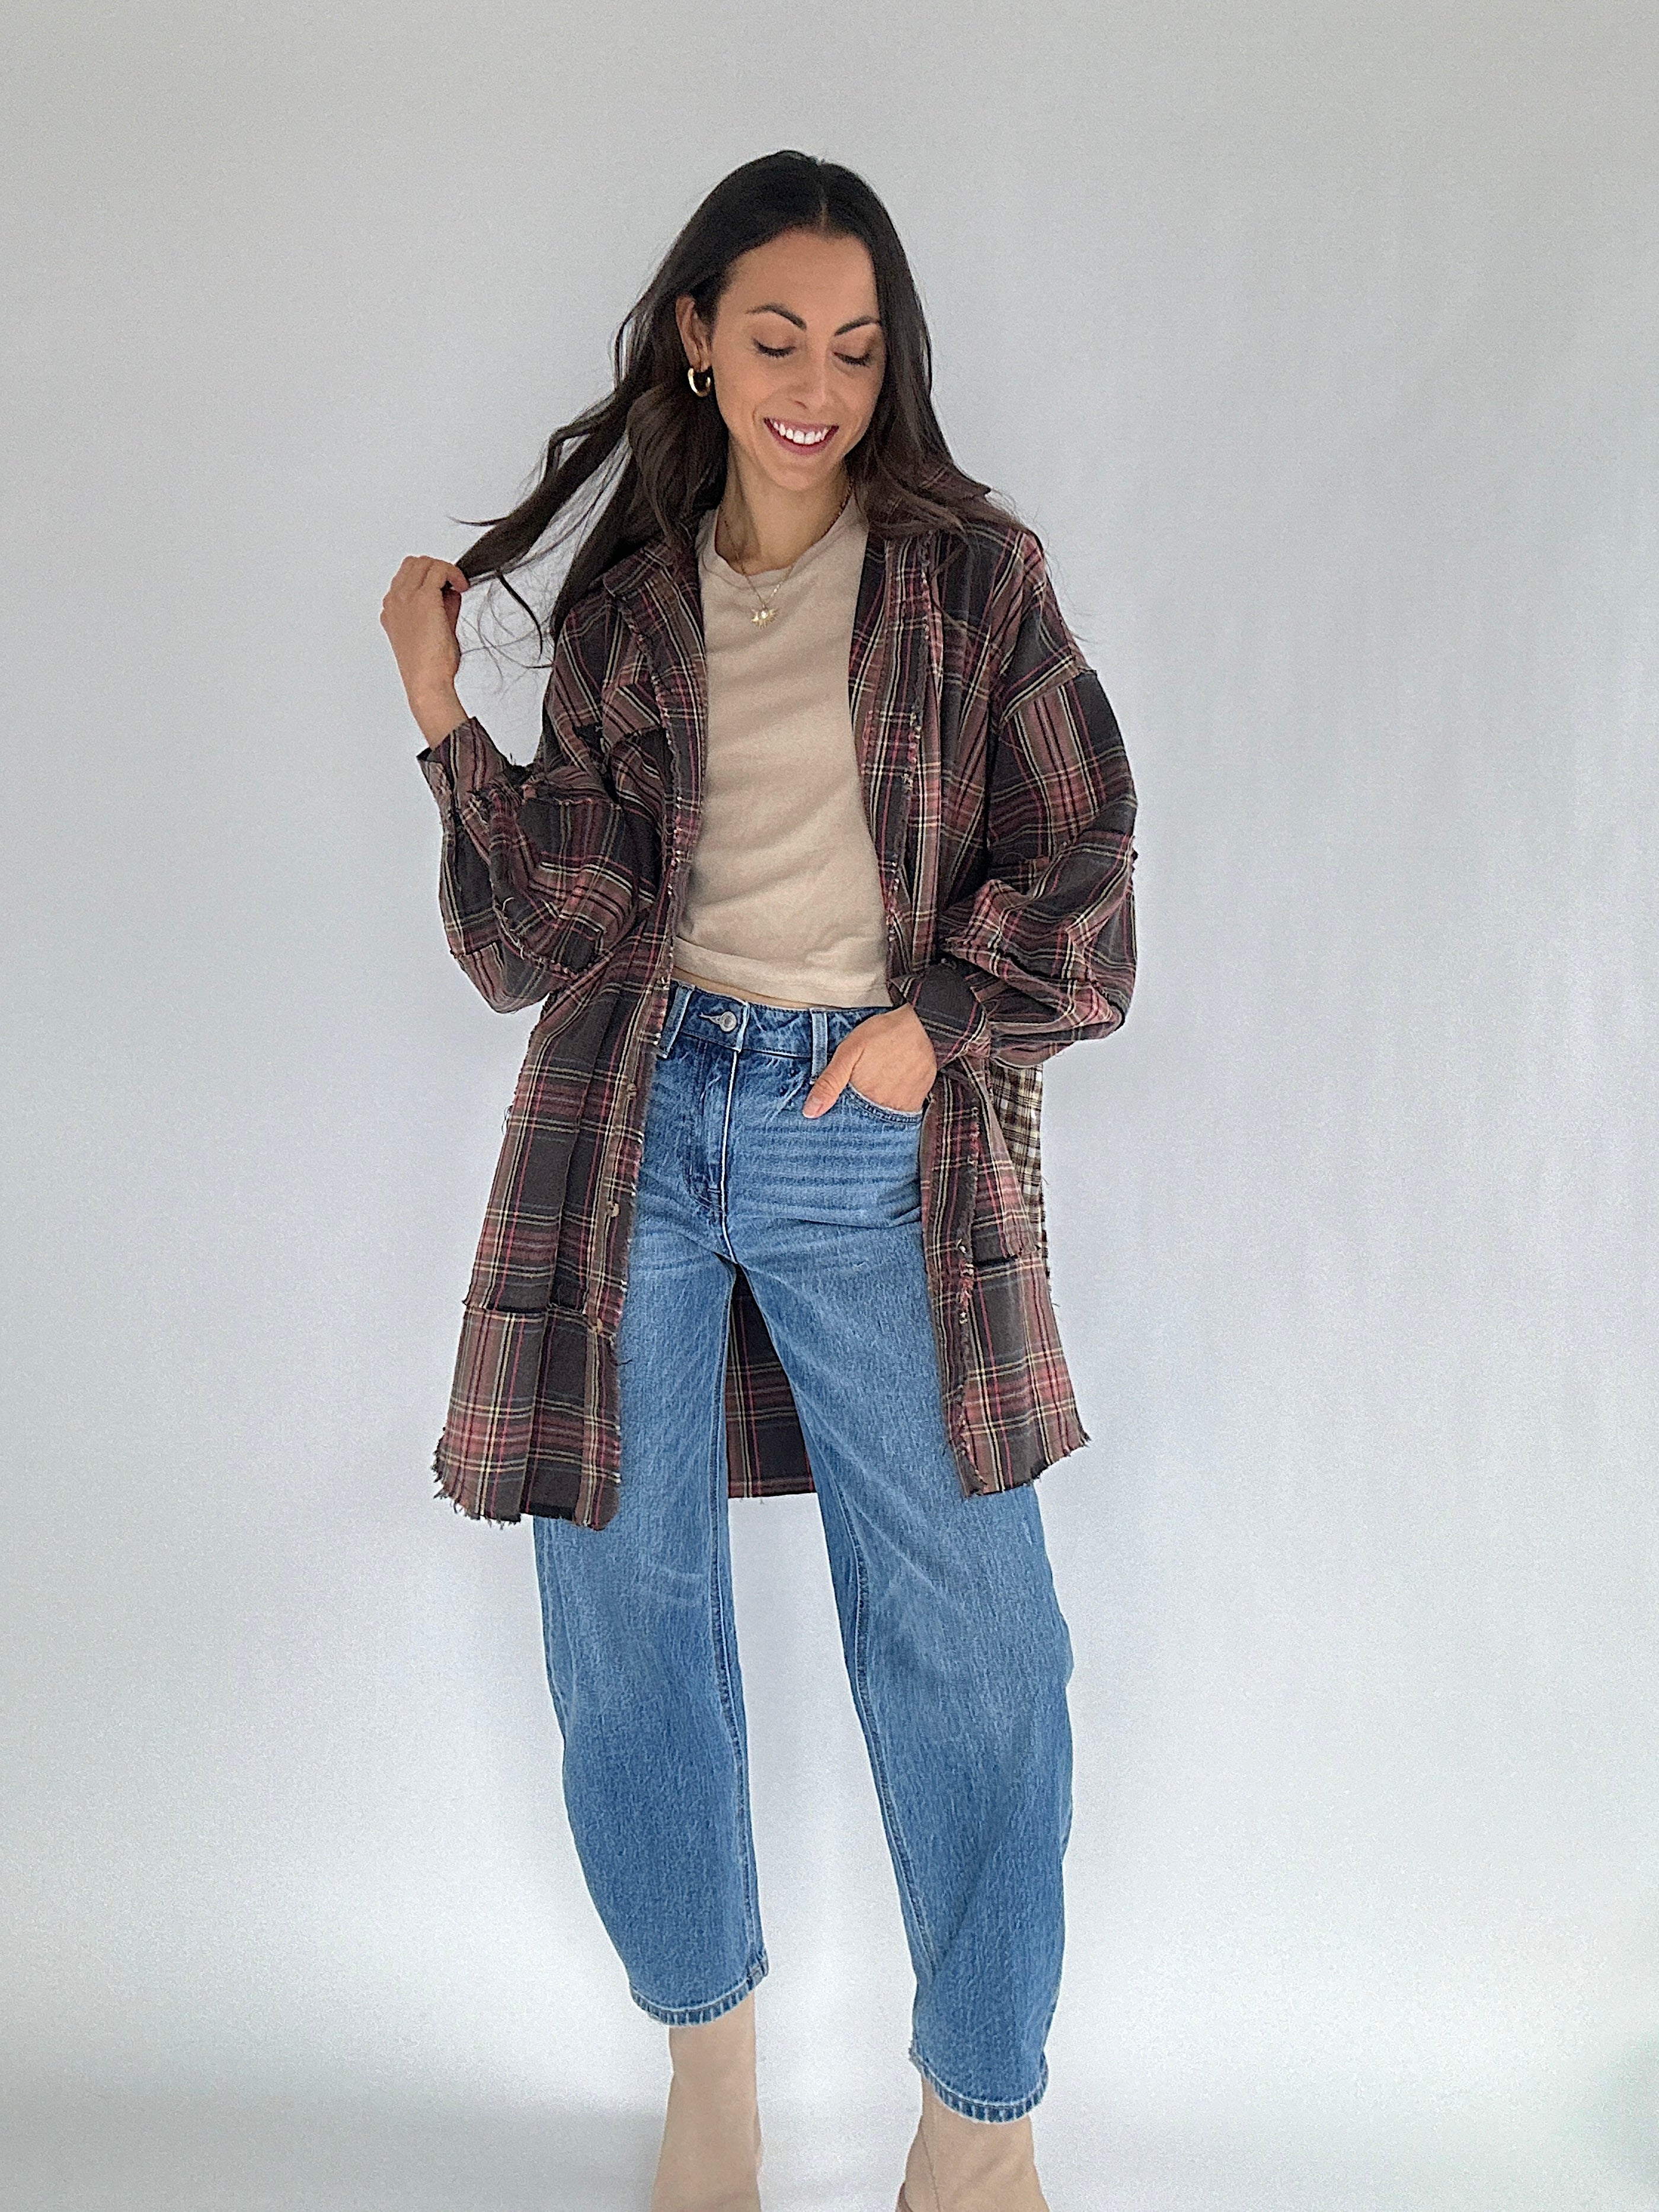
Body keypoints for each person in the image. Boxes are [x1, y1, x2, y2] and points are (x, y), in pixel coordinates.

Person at [380, 148, 1137, 2212]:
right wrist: (446, 716)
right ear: (699, 342)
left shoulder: (975, 585)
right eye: (779, 335)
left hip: (865, 1132)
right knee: (625, 1616)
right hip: (634, 1123)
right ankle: (708, 2076)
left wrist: (928, 1025)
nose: (818, 382)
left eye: (859, 345)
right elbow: (545, 934)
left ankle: (980, 2123)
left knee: (972, 1631)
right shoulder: (633, 612)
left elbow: (1086, 874)